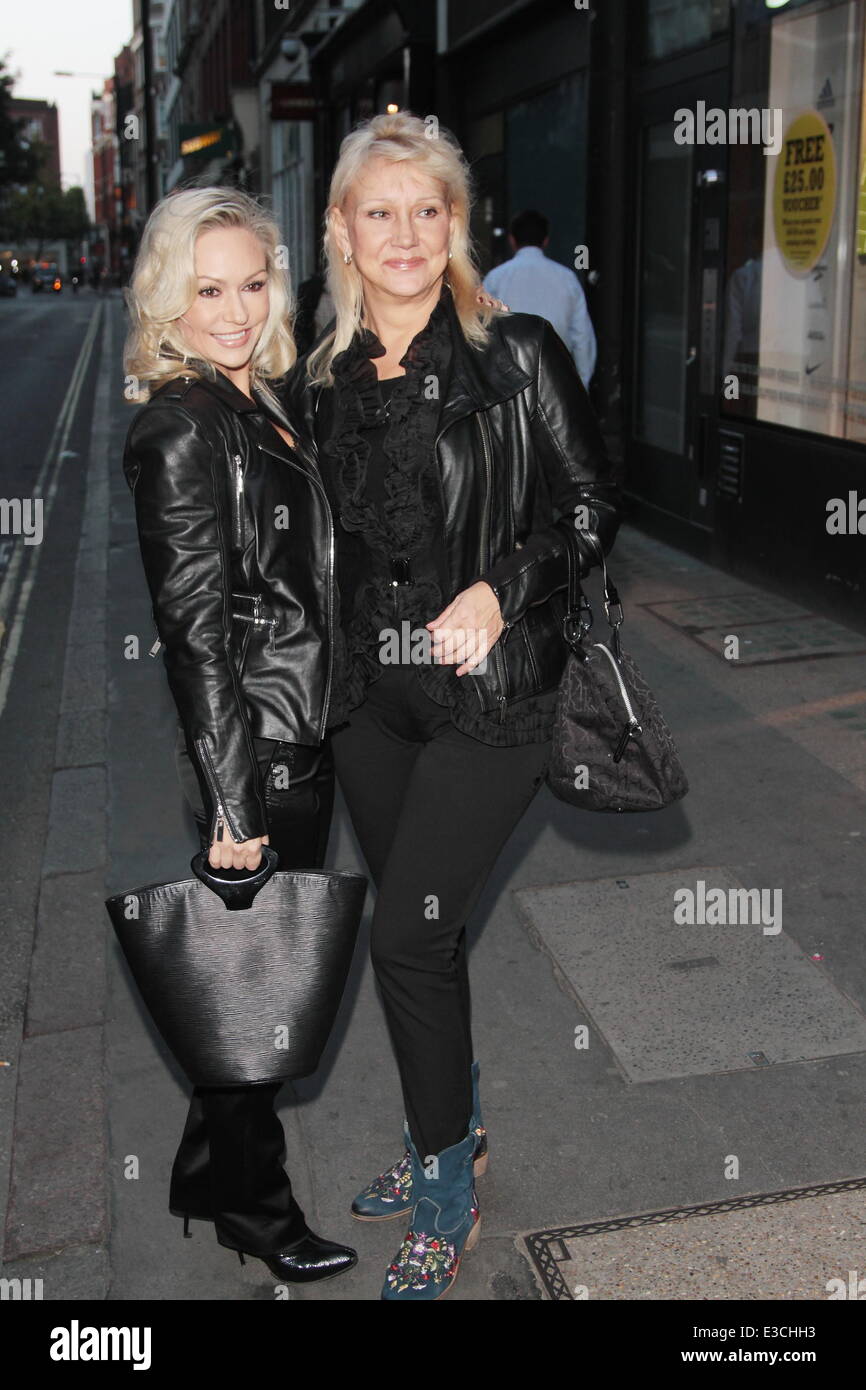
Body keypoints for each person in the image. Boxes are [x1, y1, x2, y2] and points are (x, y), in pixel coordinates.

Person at [282, 112, 622, 1300]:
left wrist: (500, 584)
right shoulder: (313, 383)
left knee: (405, 938)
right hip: (372, 707)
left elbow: (588, 507)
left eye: (428, 209)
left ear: (455, 224)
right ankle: (454, 1130)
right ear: (340, 229)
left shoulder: (516, 351)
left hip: (494, 695)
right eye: (380, 210)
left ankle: (443, 1191)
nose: (406, 234)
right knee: (427, 936)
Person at [121, 186, 357, 1287]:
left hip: (290, 733)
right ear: (167, 300)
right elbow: (195, 637)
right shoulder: (180, 425)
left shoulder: (257, 396)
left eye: (250, 283)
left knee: (248, 979)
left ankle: (203, 1176)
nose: (230, 307)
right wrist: (233, 806)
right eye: (204, 289)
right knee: (262, 997)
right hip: (256, 751)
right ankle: (257, 1210)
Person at [483, 208, 597, 389]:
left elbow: (482, 332)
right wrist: (582, 384)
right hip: (555, 377)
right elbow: (582, 337)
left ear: (512, 240)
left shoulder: (496, 278)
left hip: (508, 380)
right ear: (545, 241)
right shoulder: (567, 278)